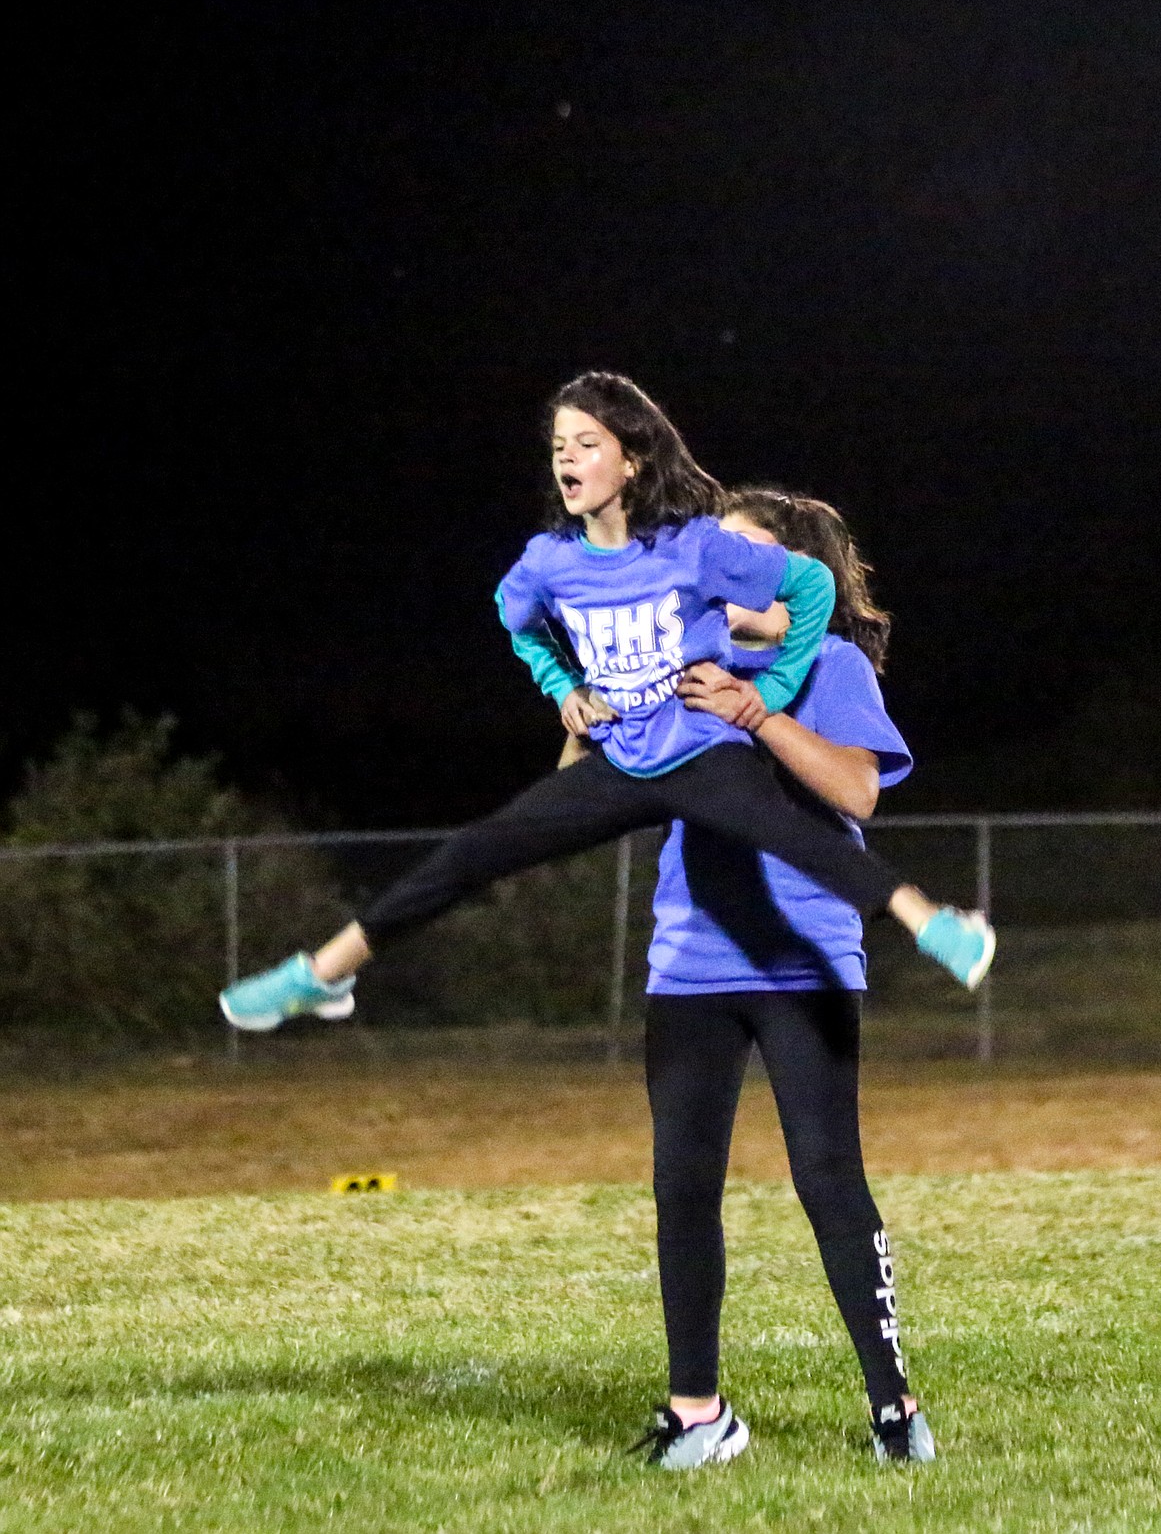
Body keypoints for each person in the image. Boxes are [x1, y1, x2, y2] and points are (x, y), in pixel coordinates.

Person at [220, 373, 992, 1043]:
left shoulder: (695, 546)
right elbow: (516, 623)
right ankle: (321, 974)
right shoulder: (546, 563)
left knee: (795, 835)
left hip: (697, 748)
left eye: (587, 442)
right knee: (477, 852)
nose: (566, 457)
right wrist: (565, 690)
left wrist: (771, 693)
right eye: (559, 443)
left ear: (634, 459)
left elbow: (813, 589)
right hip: (622, 758)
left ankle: (936, 926)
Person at [630, 488, 936, 1470]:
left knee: (826, 1174)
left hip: (802, 956)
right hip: (690, 960)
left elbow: (855, 790)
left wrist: (756, 712)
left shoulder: (833, 665)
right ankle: (698, 1413)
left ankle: (894, 1406)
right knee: (683, 1185)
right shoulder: (680, 664)